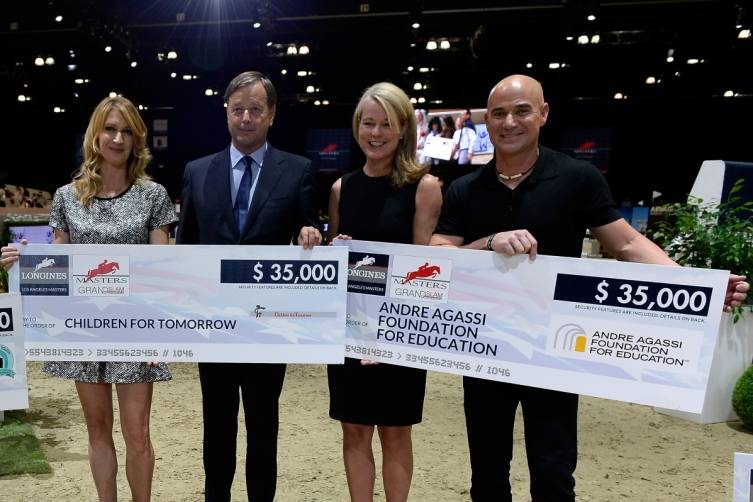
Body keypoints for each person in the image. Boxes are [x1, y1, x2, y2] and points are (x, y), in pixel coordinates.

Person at [429, 74, 750, 502]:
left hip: (555, 349)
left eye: (522, 110)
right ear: (486, 120)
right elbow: (437, 257)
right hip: (485, 347)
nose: (509, 122)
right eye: (499, 113)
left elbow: (629, 244)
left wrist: (698, 288)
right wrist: (489, 243)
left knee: (554, 470)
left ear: (543, 114)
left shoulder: (577, 177)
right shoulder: (465, 189)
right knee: (487, 472)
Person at [1, 95, 177, 502]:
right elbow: (56, 266)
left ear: (137, 140)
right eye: (110, 129)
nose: (118, 138)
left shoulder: (153, 197)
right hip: (83, 330)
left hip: (136, 330)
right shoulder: (67, 197)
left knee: (138, 434)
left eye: (126, 131)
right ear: (95, 136)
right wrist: (25, 262)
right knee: (97, 430)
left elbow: (162, 269)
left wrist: (159, 328)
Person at [176, 70, 321, 502]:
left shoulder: (297, 171)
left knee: (263, 428)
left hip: (267, 326)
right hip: (213, 327)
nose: (245, 118)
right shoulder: (197, 172)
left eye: (255, 110)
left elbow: (307, 228)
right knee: (216, 428)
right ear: (227, 112)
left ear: (271, 114)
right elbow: (185, 249)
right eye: (237, 109)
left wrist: (311, 233)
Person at [327, 82, 442, 502]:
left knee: (395, 432)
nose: (375, 133)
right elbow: (338, 264)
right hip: (350, 333)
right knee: (354, 430)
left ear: (403, 129)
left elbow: (423, 269)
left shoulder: (425, 187)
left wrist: (390, 333)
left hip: (398, 332)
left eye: (386, 124)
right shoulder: (342, 189)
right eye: (367, 122)